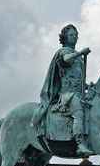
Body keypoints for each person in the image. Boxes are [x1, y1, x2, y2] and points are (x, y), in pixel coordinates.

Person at [33, 22, 93, 156]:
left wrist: (89, 86)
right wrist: (80, 53)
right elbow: (66, 60)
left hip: (79, 91)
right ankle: (80, 144)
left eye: (76, 35)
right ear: (65, 37)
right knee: (78, 113)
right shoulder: (64, 52)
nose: (75, 37)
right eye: (71, 35)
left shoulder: (77, 58)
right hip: (68, 94)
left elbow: (79, 80)